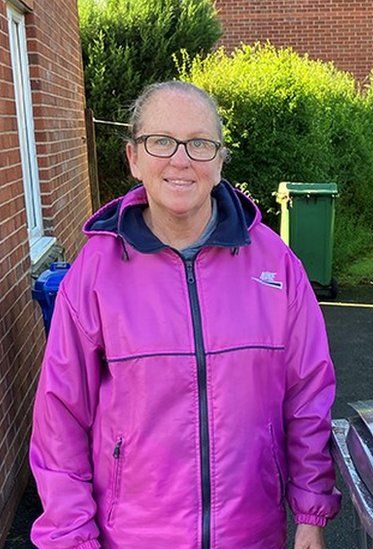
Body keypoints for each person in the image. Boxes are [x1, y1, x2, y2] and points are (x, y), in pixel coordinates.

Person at [29, 81, 340, 549]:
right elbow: (61, 420)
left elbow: (308, 395)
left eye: (199, 143)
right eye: (161, 141)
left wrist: (311, 513)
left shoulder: (276, 266)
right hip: (132, 537)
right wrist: (72, 538)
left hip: (253, 535)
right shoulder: (94, 275)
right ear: (133, 157)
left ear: (219, 161)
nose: (181, 160)